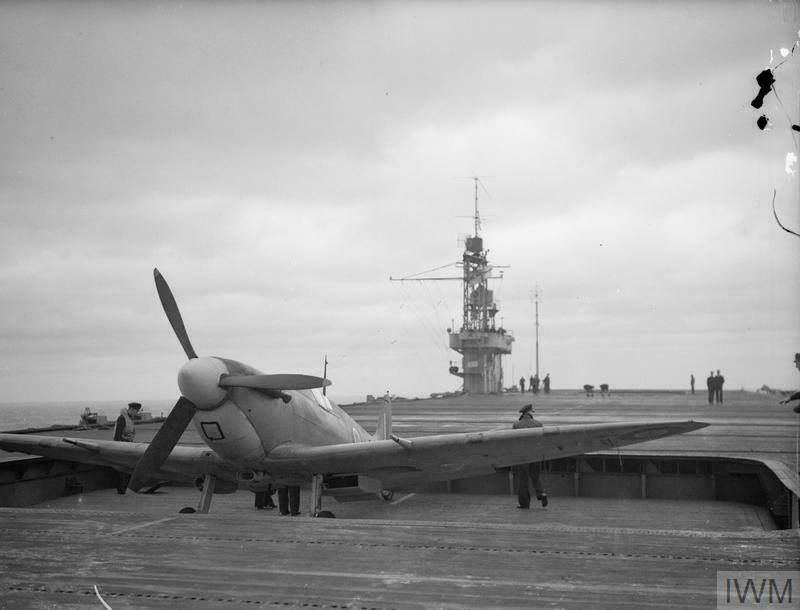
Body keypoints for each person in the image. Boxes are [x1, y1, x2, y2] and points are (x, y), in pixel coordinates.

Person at [512, 404, 547, 508]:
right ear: (530, 413)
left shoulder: (516, 425)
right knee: (536, 477)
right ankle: (541, 494)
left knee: (523, 480)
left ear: (523, 414)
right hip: (536, 455)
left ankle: (524, 503)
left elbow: (513, 441)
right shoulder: (539, 424)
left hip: (522, 457)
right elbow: (542, 440)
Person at [113, 401, 142, 494]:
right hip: (120, 447)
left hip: (127, 446)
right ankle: (121, 489)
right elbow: (117, 436)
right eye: (136, 411)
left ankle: (125, 488)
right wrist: (126, 440)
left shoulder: (129, 419)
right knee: (121, 469)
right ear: (132, 409)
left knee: (126, 468)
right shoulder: (122, 419)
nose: (137, 413)